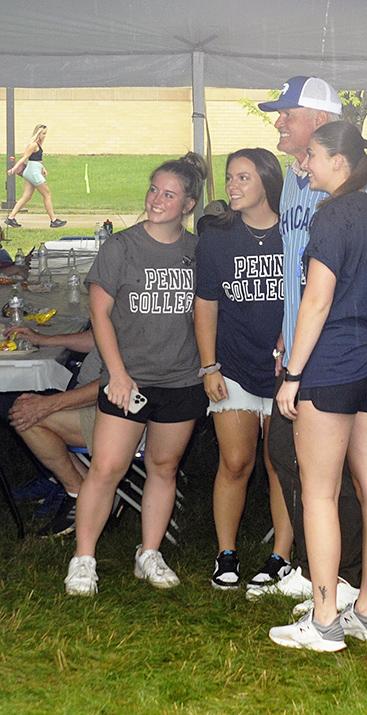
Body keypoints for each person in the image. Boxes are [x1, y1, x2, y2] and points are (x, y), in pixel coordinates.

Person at [254, 76, 367, 612]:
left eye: (286, 113)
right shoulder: (294, 179)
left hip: (339, 351)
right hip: (306, 344)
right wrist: (289, 332)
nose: (278, 121)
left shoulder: (361, 180)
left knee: (327, 475)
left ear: (319, 120)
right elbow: (299, 271)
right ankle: (331, 580)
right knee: (291, 457)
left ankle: (339, 581)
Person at [269, 121, 367, 652]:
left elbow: (316, 301)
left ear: (340, 164)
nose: (304, 165)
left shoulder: (332, 217)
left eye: (313, 157)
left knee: (319, 492)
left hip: (333, 365)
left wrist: (293, 374)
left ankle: (325, 619)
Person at [64, 152, 208, 597]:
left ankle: (149, 552)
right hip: (130, 380)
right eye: (153, 189)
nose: (156, 200)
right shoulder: (121, 247)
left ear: (188, 204)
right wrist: (118, 375)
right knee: (106, 468)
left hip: (182, 379)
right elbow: (100, 315)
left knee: (164, 468)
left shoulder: (196, 251)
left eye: (169, 194)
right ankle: (83, 559)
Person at [194, 148, 293, 591]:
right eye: (231, 178)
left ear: (267, 183)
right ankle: (226, 554)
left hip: (284, 370)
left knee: (280, 463)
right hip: (231, 364)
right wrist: (208, 366)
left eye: (243, 178)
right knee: (235, 461)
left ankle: (280, 559)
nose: (232, 186)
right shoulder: (216, 236)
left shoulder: (295, 234)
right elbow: (205, 305)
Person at [7, 326, 100, 537]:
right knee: (21, 403)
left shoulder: (139, 309)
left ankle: (78, 493)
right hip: (96, 397)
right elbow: (98, 339)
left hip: (119, 416)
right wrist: (43, 339)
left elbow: (117, 381)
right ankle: (92, 493)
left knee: (25, 416)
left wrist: (50, 404)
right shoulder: (122, 303)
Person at [5, 124, 67, 229]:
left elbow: (37, 159)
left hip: (34, 170)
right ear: (38, 134)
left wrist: (43, 168)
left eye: (45, 133)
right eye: (43, 133)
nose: (44, 135)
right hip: (33, 172)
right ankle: (53, 220)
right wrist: (13, 170)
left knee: (26, 196)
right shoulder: (33, 145)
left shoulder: (38, 144)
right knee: (47, 194)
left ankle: (11, 218)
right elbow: (24, 158)